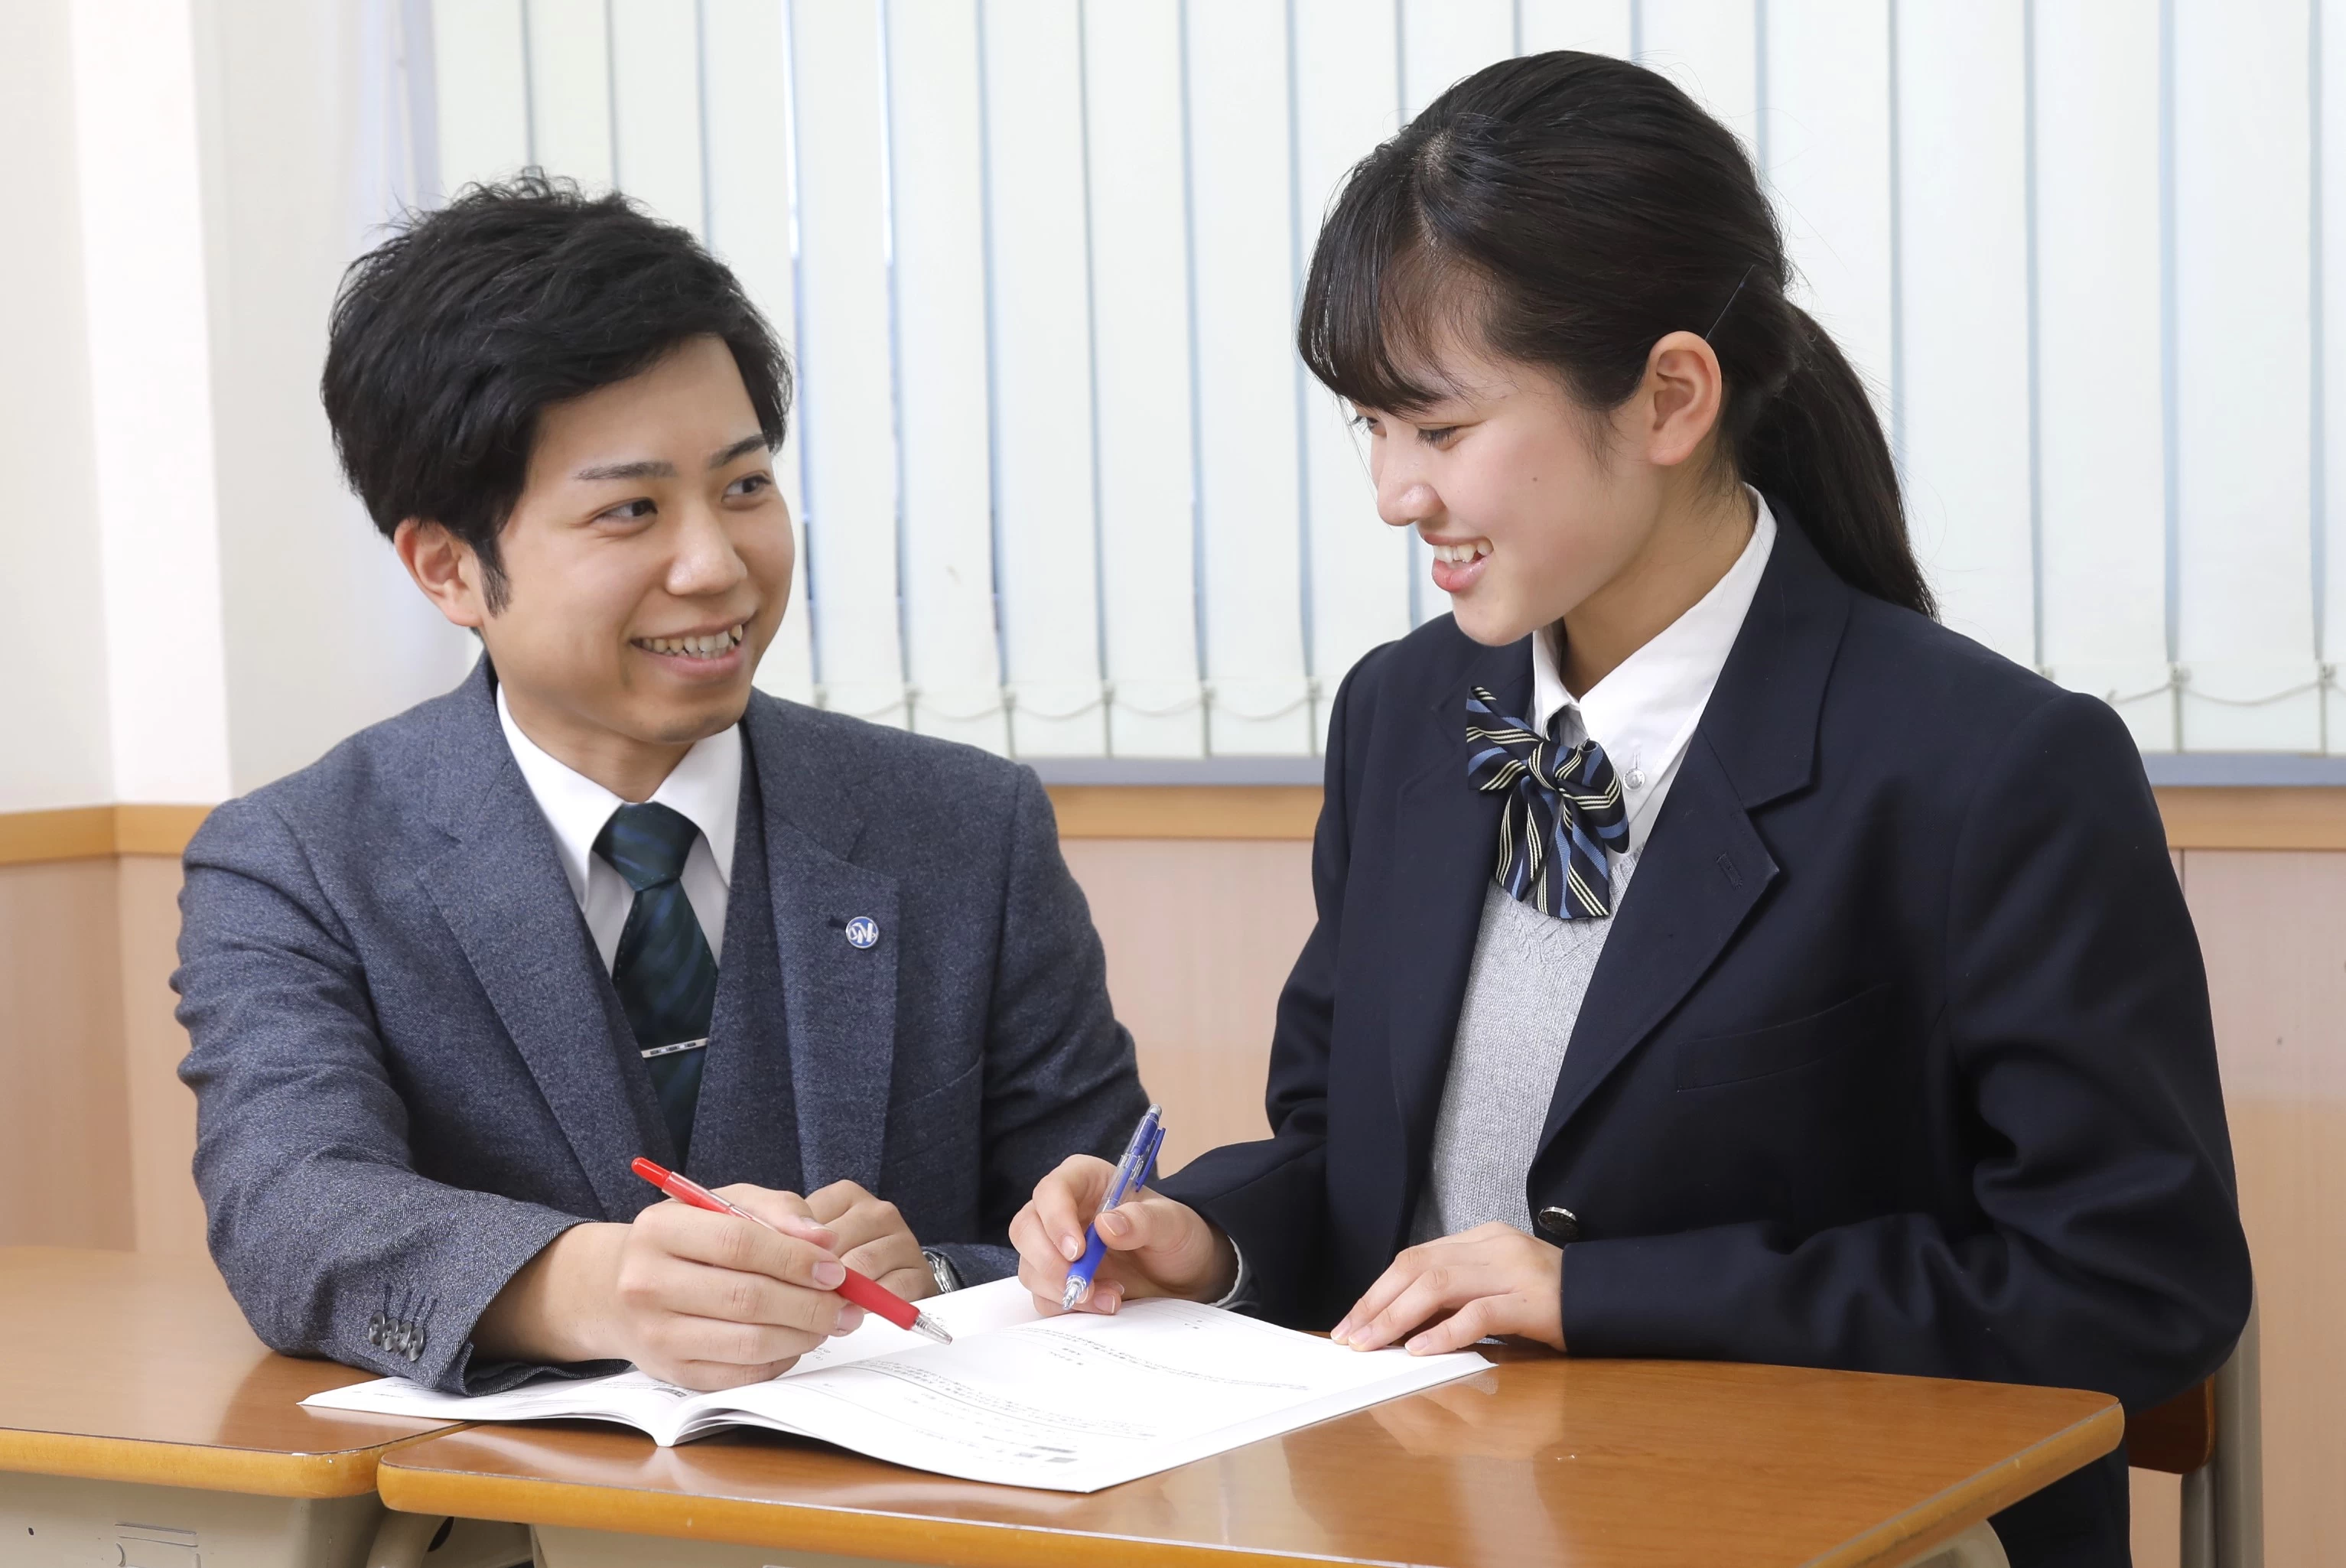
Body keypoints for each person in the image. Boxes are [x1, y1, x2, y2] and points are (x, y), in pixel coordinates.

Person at [1007, 52, 2248, 1567]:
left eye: (1441, 426)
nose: (1397, 491)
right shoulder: (1410, 715)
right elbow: (1354, 1146)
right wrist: (1203, 1234)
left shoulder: (1994, 770)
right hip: (1438, 1512)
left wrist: (1599, 1293)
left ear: (1671, 397)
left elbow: (2129, 1284)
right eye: (1372, 429)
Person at [174, 174, 1148, 1397]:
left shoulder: (965, 826)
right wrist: (594, 1286)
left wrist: (948, 1274)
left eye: (744, 487)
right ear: (448, 568)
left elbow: (1099, 1214)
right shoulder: (299, 861)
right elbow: (290, 1209)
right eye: (631, 510)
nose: (716, 564)